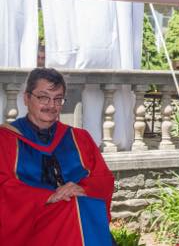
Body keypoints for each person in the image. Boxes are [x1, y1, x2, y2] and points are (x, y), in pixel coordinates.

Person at [0, 68, 115, 246]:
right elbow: (3, 186)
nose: (51, 105)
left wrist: (81, 188)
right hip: (33, 224)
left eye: (58, 99)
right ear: (26, 98)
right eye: (43, 97)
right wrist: (47, 196)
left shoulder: (80, 138)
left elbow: (104, 179)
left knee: (78, 208)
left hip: (78, 216)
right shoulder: (5, 139)